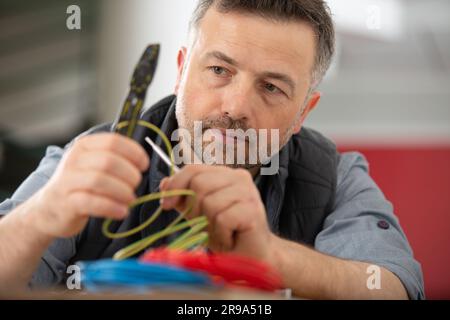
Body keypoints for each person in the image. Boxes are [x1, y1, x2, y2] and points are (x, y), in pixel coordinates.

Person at [0, 0, 424, 299]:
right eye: (219, 70)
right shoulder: (84, 159)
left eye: (272, 87)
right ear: (182, 70)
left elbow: (391, 287)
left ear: (302, 113)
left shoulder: (336, 177)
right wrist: (38, 218)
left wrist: (269, 256)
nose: (236, 107)